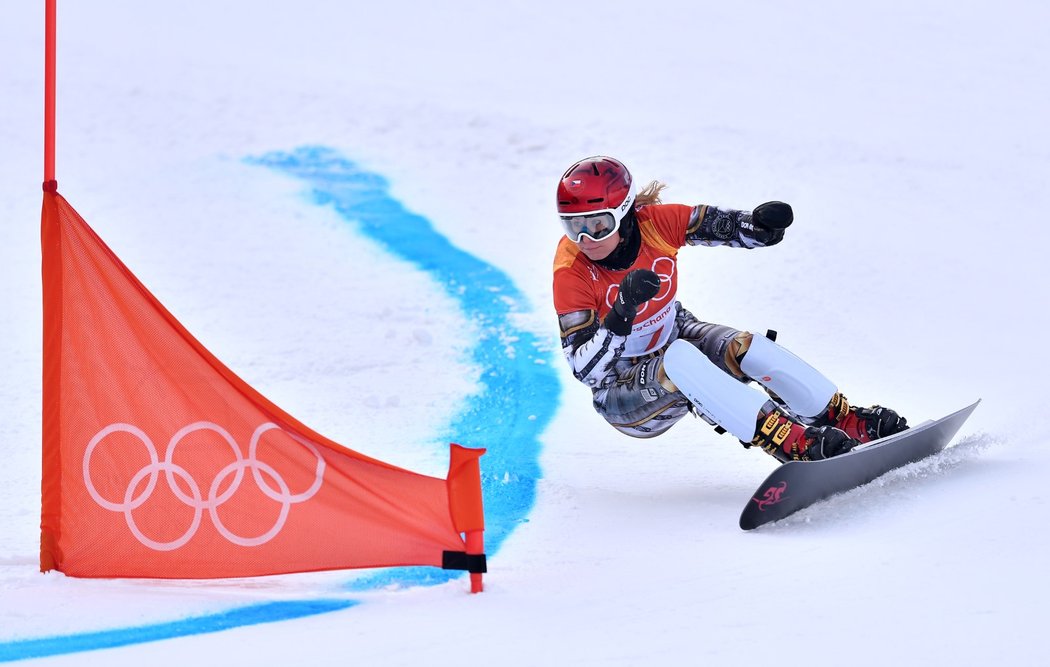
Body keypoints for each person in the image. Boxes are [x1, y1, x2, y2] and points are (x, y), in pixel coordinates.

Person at [551, 156, 907, 462]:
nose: (585, 240)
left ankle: (844, 419)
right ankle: (789, 440)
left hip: (674, 337)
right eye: (574, 227)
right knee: (680, 359)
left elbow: (717, 225)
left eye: (598, 225)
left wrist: (761, 227)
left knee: (746, 348)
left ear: (625, 214)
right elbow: (587, 372)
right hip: (622, 393)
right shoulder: (572, 272)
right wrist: (622, 312)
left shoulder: (654, 224)